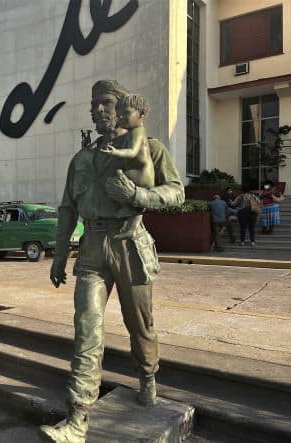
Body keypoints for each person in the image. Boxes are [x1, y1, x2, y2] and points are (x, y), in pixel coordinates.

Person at [40, 80, 184, 443]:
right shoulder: (82, 159)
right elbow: (67, 209)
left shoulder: (149, 148)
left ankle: (148, 377)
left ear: (121, 108)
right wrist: (59, 254)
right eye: (94, 105)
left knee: (141, 325)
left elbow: (176, 191)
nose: (98, 110)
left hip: (130, 243)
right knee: (86, 331)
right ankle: (77, 418)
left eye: (105, 103)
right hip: (91, 250)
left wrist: (137, 195)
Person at [99, 92, 154, 240]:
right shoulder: (130, 133)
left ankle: (125, 208)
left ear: (142, 114)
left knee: (115, 176)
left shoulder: (138, 131)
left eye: (126, 113)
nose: (121, 117)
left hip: (142, 174)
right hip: (141, 173)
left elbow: (132, 152)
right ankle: (131, 226)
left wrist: (115, 152)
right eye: (120, 114)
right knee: (136, 205)